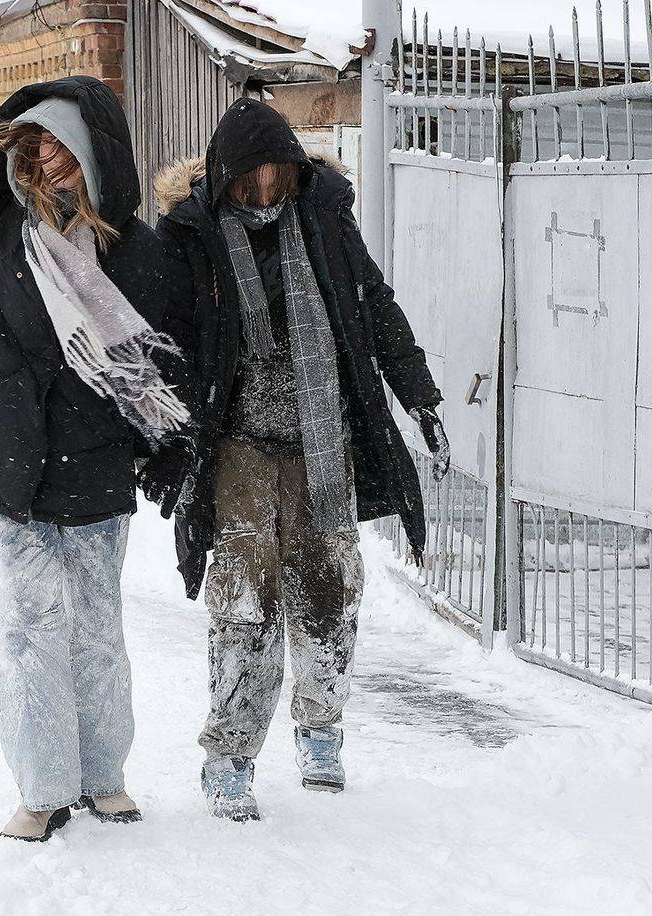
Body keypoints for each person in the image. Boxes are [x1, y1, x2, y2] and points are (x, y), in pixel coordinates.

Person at [143, 98, 449, 822]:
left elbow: (374, 306)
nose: (264, 193)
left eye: (275, 176)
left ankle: (320, 728)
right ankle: (229, 754)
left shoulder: (322, 217)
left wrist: (420, 395)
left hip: (321, 439)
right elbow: (167, 339)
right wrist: (160, 440)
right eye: (249, 181)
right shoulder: (192, 234)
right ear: (224, 177)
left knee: (328, 589)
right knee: (243, 602)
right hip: (239, 444)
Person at [0, 76, 189, 842]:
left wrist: (168, 447)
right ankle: (43, 789)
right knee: (25, 631)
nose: (46, 157)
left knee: (95, 631)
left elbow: (160, 361)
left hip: (93, 467)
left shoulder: (137, 252)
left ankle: (104, 775)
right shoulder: (10, 233)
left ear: (93, 149)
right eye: (37, 142)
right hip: (11, 466)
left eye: (60, 142)